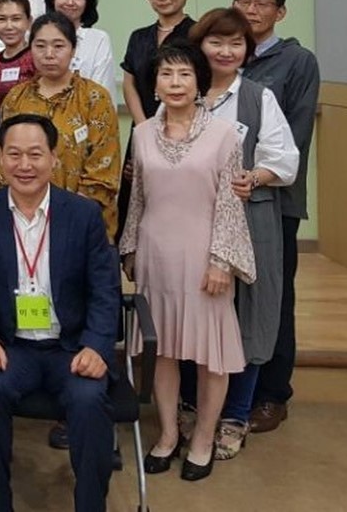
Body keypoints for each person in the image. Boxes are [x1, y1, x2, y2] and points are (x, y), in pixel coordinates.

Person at [0, 114, 121, 512]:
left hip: (71, 348)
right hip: (12, 346)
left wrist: (97, 347)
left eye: (35, 154)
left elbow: (105, 289)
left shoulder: (83, 214)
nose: (24, 165)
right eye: (14, 154)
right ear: (0, 158)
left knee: (89, 401)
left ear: (54, 157)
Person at [119, 42, 255, 483]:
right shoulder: (141, 134)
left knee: (210, 356)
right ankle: (168, 434)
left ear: (199, 82)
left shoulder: (225, 134)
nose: (175, 83)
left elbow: (230, 206)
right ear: (154, 84)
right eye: (166, 75)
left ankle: (203, 440)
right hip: (155, 255)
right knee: (162, 352)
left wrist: (222, 261)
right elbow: (138, 199)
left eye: (184, 74)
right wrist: (130, 250)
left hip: (204, 259)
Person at [178, 8, 299, 459]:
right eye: (216, 42)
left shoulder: (257, 97)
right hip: (191, 222)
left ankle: (235, 415)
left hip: (250, 219)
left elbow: (284, 159)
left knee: (248, 317)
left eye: (236, 43)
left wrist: (257, 176)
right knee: (196, 313)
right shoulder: (183, 92)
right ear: (200, 46)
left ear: (247, 50)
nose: (226, 51)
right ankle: (193, 408)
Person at [232, 0, 320, 434]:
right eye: (244, 0)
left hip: (275, 201)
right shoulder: (227, 55)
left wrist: (259, 177)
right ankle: (232, 391)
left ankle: (272, 394)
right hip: (227, 200)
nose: (252, 9)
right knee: (232, 298)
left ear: (280, 11)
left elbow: (297, 136)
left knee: (274, 297)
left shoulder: (297, 61)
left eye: (262, 3)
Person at [0, 13, 121, 240]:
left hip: (83, 225)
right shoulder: (16, 99)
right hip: (25, 224)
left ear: (73, 50)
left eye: (58, 46)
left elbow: (103, 170)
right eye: (40, 46)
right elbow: (4, 163)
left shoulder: (94, 98)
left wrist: (67, 217)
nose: (49, 54)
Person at [121, 0, 196, 126]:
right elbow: (129, 84)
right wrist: (142, 126)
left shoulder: (198, 34)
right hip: (142, 126)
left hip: (187, 128)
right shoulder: (139, 37)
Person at [44, 0, 118, 106]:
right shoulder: (38, 36)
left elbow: (102, 90)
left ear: (87, 2)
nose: (70, 2)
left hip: (89, 114)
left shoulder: (98, 39)